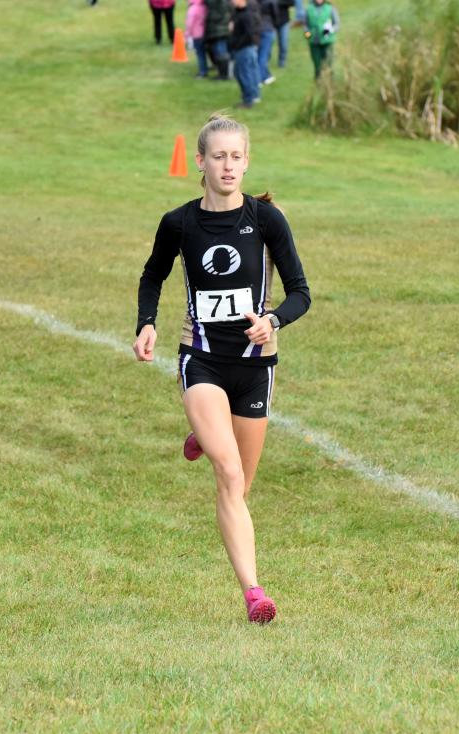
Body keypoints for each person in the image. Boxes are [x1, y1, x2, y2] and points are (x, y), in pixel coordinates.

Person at [133, 115, 310, 624]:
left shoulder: (267, 220)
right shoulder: (180, 222)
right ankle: (254, 593)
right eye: (218, 156)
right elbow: (153, 273)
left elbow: (301, 292)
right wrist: (147, 323)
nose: (227, 166)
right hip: (203, 359)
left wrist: (272, 320)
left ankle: (204, 438)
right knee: (229, 474)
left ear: (247, 161)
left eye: (236, 157)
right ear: (201, 162)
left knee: (239, 490)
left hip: (255, 367)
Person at [229, 0, 261, 108]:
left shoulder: (246, 15)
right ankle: (254, 95)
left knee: (243, 73)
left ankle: (248, 100)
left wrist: (237, 44)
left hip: (244, 49)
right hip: (245, 48)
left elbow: (249, 34)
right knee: (249, 72)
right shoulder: (239, 13)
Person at [303, 0, 338, 79]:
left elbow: (337, 24)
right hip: (314, 42)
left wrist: (330, 30)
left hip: (327, 41)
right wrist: (308, 35)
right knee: (317, 65)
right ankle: (318, 82)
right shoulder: (308, 9)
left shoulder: (330, 8)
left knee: (329, 63)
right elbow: (305, 25)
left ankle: (330, 82)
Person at [204, 0, 231, 79]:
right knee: (220, 51)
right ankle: (223, 72)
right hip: (221, 27)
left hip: (219, 28)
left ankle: (223, 74)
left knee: (220, 51)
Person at [256, 0, 278, 85]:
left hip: (257, 29)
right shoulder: (271, 2)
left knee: (259, 54)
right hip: (267, 28)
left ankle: (266, 75)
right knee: (263, 55)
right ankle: (260, 78)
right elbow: (275, 14)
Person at [185, 0, 208, 78]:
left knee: (200, 54)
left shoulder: (193, 9)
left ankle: (202, 71)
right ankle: (205, 69)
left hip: (197, 35)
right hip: (205, 34)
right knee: (204, 53)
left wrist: (187, 35)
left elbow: (189, 24)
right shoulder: (204, 7)